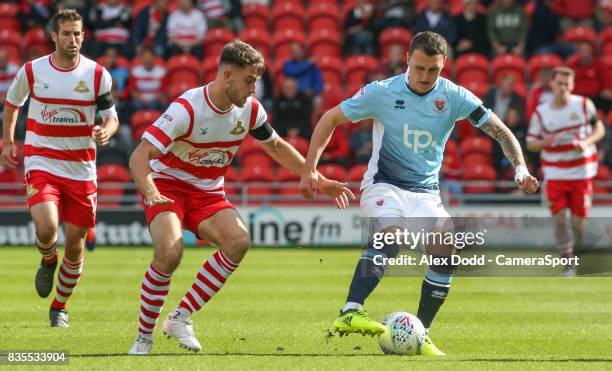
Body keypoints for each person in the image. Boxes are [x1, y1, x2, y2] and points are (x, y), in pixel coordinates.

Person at [299, 31, 539, 356]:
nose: (426, 77)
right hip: (384, 184)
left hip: (426, 192)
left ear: (444, 67)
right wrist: (310, 168)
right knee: (391, 237)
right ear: (407, 61)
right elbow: (330, 118)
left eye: (434, 70)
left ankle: (420, 334)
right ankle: (350, 311)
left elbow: (500, 130)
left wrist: (520, 168)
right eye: (420, 68)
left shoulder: (454, 96)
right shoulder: (382, 92)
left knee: (447, 246)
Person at [127, 40, 354, 355]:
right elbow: (140, 156)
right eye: (249, 81)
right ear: (226, 75)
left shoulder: (250, 109)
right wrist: (151, 191)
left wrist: (315, 176)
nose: (253, 89)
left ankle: (181, 317)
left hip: (207, 191)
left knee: (238, 241)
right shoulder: (188, 107)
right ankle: (143, 337)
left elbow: (274, 146)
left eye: (256, 82)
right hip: (168, 185)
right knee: (170, 253)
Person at [0, 9, 119, 327]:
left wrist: (107, 129)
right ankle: (47, 259)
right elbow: (12, 103)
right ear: (53, 36)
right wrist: (8, 141)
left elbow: (111, 115)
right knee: (47, 226)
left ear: (84, 35)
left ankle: (59, 307)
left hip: (81, 169)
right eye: (66, 33)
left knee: (76, 245)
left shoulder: (97, 75)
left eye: (77, 33)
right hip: (42, 160)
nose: (73, 39)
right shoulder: (33, 71)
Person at [527, 66, 605, 276]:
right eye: (559, 83)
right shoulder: (541, 112)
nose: (563, 88)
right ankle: (568, 264)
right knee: (559, 220)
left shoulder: (582, 105)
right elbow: (530, 143)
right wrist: (546, 141)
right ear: (552, 84)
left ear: (572, 86)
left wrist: (587, 142)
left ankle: (577, 254)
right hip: (555, 174)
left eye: (567, 84)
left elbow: (599, 129)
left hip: (581, 172)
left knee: (579, 225)